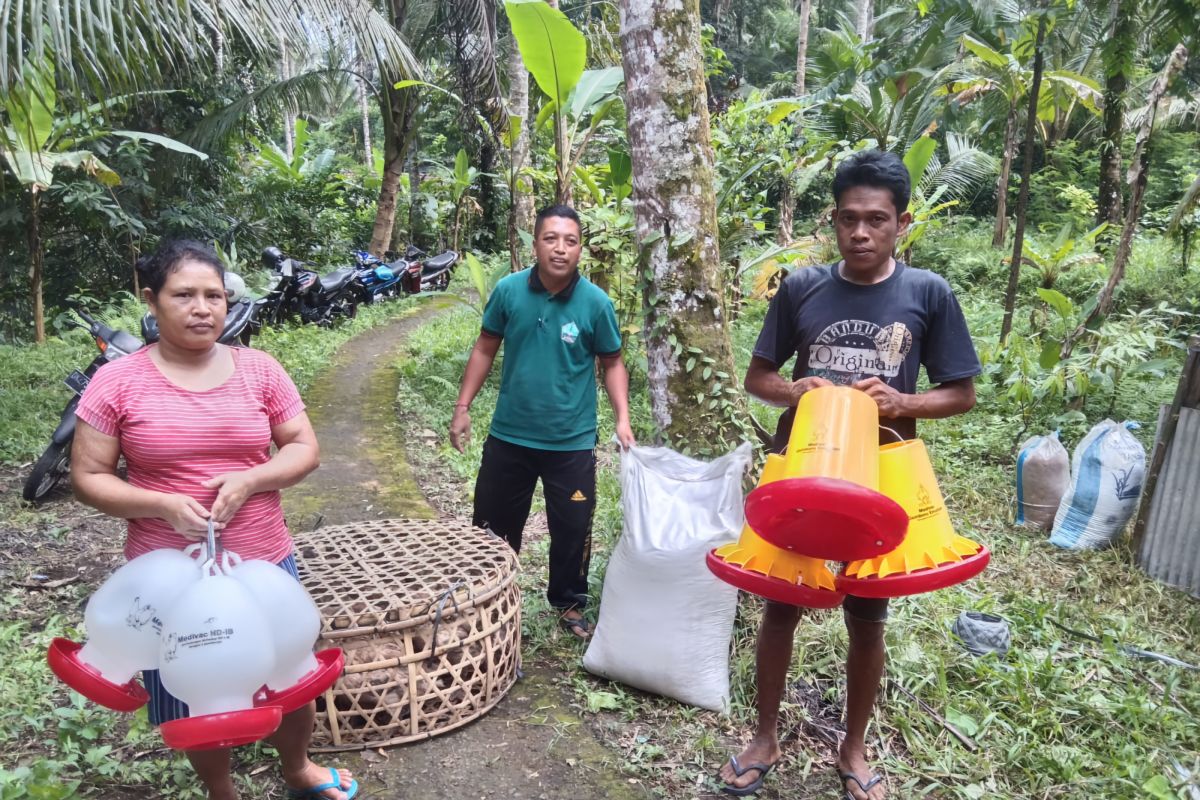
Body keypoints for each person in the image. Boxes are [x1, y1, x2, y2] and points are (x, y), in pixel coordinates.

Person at [719, 150, 981, 799]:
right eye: (849, 219)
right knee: (781, 606)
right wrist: (794, 389)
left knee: (868, 618)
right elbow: (757, 377)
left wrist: (903, 402)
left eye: (877, 220)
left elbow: (961, 392)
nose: (861, 232)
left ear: (902, 223)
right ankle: (763, 735)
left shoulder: (928, 293)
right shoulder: (802, 287)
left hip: (880, 482)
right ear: (832, 220)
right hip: (802, 473)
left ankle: (854, 746)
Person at [71, 240, 356, 800]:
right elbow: (88, 477)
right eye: (184, 295)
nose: (203, 308)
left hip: (264, 561)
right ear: (150, 300)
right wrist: (160, 503)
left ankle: (297, 768)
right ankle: (220, 793)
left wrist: (252, 478)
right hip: (166, 578)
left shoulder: (260, 370)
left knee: (290, 675)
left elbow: (303, 447)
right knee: (189, 691)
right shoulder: (118, 382)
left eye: (214, 296)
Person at [449, 204, 636, 640]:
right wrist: (462, 407)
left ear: (580, 250)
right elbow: (484, 348)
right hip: (508, 437)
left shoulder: (596, 303)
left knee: (573, 527)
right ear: (534, 243)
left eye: (570, 241)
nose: (560, 248)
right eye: (551, 238)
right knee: (491, 529)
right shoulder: (509, 292)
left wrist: (622, 418)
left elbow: (612, 363)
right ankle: (489, 599)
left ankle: (569, 601)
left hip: (570, 443)